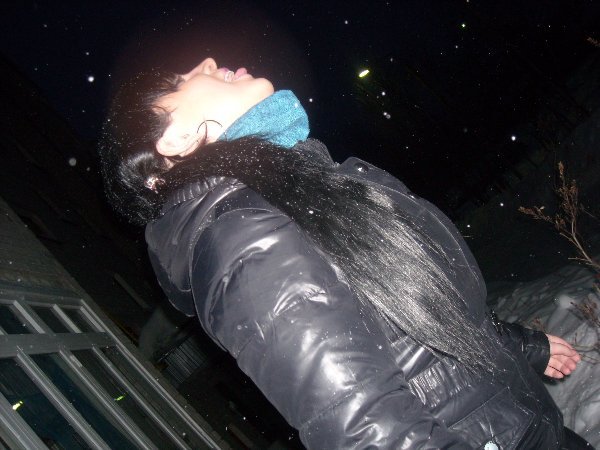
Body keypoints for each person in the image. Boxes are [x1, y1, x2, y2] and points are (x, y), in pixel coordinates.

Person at [99, 57, 591, 449]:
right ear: (176, 139)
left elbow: (417, 314)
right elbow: (368, 432)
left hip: (517, 422)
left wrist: (523, 348)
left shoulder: (294, 192)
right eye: (177, 81)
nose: (206, 62)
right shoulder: (242, 239)